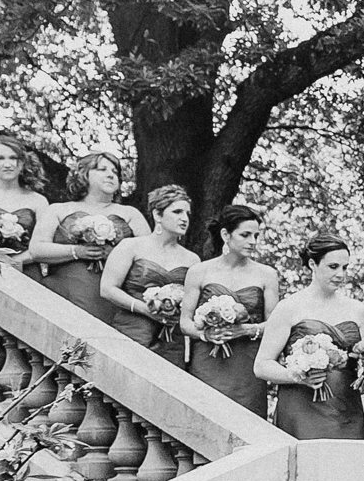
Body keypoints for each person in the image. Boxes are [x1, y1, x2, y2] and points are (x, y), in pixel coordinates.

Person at [254, 235, 364, 441]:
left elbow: (358, 363)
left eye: (345, 267)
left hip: (346, 409)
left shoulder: (357, 310)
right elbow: (262, 366)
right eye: (333, 266)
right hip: (302, 408)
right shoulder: (289, 307)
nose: (340, 274)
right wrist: (300, 376)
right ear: (312, 264)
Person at [182, 205, 280, 416]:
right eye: (245, 235)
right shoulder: (199, 271)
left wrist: (245, 330)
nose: (252, 242)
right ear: (226, 234)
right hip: (207, 361)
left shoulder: (267, 274)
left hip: (246, 364)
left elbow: (274, 325)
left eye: (256, 235)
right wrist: (205, 333)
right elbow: (184, 322)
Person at [31, 152, 147, 321]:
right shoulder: (59, 209)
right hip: (64, 296)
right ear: (83, 175)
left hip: (113, 300)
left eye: (115, 172)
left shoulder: (131, 214)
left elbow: (148, 257)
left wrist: (115, 255)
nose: (110, 175)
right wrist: (76, 251)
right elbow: (36, 249)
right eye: (102, 169)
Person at [100, 185, 199, 364]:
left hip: (171, 339)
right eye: (177, 212)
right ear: (157, 215)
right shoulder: (131, 246)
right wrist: (144, 309)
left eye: (187, 214)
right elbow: (107, 289)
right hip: (133, 328)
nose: (184, 219)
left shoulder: (193, 260)